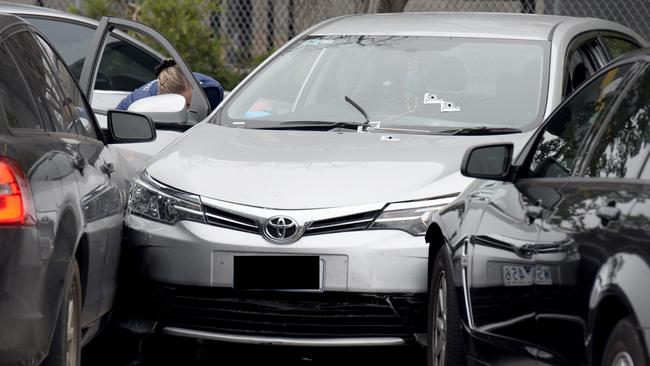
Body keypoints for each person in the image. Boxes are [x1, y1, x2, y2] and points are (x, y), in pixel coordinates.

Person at [115, 58, 224, 111]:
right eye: (184, 105)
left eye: (190, 104)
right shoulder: (144, 104)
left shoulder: (211, 90)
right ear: (164, 99)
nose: (188, 110)